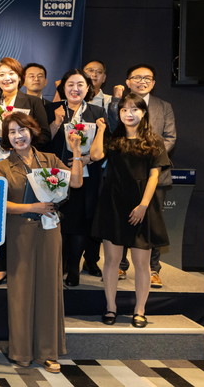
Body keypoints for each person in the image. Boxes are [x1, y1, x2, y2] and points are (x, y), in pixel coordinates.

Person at [0, 112, 83, 373]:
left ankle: (47, 353)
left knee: (48, 289)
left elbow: (76, 182)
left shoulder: (50, 159)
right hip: (19, 231)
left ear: (31, 131)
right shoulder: (3, 166)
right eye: (12, 132)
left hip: (50, 230)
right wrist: (32, 207)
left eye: (22, 130)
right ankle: (20, 351)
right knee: (20, 291)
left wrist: (76, 151)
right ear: (7, 138)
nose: (18, 136)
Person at [91, 93, 171, 328]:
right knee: (111, 262)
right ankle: (111, 308)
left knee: (141, 264)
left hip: (142, 205)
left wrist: (143, 205)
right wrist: (100, 130)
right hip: (113, 204)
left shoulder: (154, 141)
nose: (129, 113)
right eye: (124, 109)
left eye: (134, 109)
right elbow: (95, 156)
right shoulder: (114, 138)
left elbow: (154, 176)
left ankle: (140, 310)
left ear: (143, 113)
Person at [109, 64, 175, 287]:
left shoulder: (164, 107)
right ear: (128, 81)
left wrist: (148, 155)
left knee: (150, 224)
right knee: (122, 221)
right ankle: (121, 265)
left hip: (154, 175)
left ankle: (154, 269)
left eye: (148, 78)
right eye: (137, 77)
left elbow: (170, 138)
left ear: (153, 83)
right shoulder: (119, 105)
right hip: (123, 178)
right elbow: (112, 131)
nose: (142, 81)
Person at [47, 70, 107, 286]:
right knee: (60, 223)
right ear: (63, 88)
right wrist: (56, 123)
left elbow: (105, 146)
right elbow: (42, 141)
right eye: (70, 84)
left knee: (80, 224)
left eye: (80, 84)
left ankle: (74, 269)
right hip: (56, 176)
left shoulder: (97, 112)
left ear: (88, 88)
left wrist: (86, 158)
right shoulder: (51, 109)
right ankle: (59, 267)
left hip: (87, 177)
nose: (75, 89)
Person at [0, 57, 51, 147]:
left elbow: (45, 135)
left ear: (19, 77)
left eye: (11, 73)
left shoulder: (33, 102)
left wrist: (23, 145)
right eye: (1, 75)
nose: (7, 78)